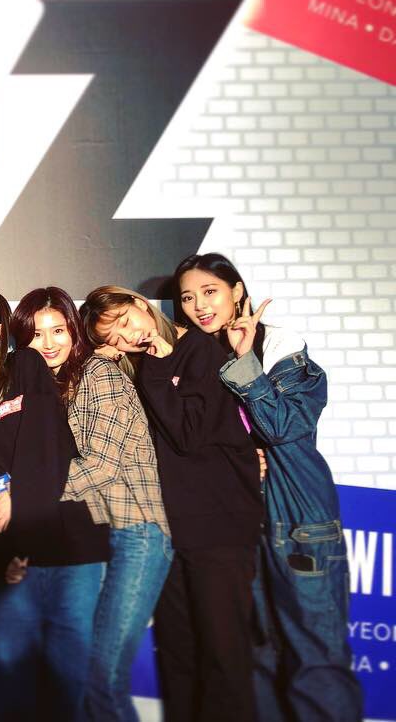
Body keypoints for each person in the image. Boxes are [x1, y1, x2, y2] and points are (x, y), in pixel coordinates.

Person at [174, 252, 361, 722]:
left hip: (297, 519)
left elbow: (283, 426)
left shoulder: (281, 347)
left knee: (316, 660)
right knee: (255, 658)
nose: (199, 305)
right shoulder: (197, 357)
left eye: (210, 291)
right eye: (188, 298)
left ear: (237, 291)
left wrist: (245, 359)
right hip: (237, 524)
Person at [82, 285, 262, 722]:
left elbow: (188, 435)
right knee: (179, 656)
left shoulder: (198, 349)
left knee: (223, 654)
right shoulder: (138, 368)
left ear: (140, 304)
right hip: (170, 528)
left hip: (218, 525)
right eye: (115, 337)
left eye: (126, 321)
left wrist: (159, 370)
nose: (129, 336)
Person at [0, 286, 108, 722]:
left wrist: (16, 499)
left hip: (68, 545)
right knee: (13, 690)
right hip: (10, 558)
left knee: (69, 689)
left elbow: (48, 444)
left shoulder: (26, 365)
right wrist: (0, 555)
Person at [12, 286, 170, 722]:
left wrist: (25, 495)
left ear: (74, 332)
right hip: (99, 538)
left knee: (102, 677)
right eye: (36, 334)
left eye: (58, 331)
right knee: (82, 677)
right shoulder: (54, 386)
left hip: (137, 534)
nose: (48, 343)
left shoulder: (99, 373)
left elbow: (100, 464)